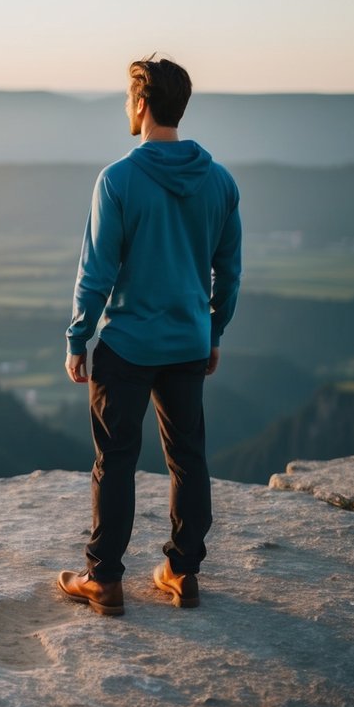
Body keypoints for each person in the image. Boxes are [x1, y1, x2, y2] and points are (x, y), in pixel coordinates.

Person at [56, 55, 242, 616]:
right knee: (188, 459)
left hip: (128, 345)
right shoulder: (220, 182)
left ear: (140, 103)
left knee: (115, 460)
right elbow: (227, 271)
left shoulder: (117, 180)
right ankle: (183, 573)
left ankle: (104, 581)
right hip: (187, 343)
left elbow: (96, 271)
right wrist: (213, 332)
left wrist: (77, 338)